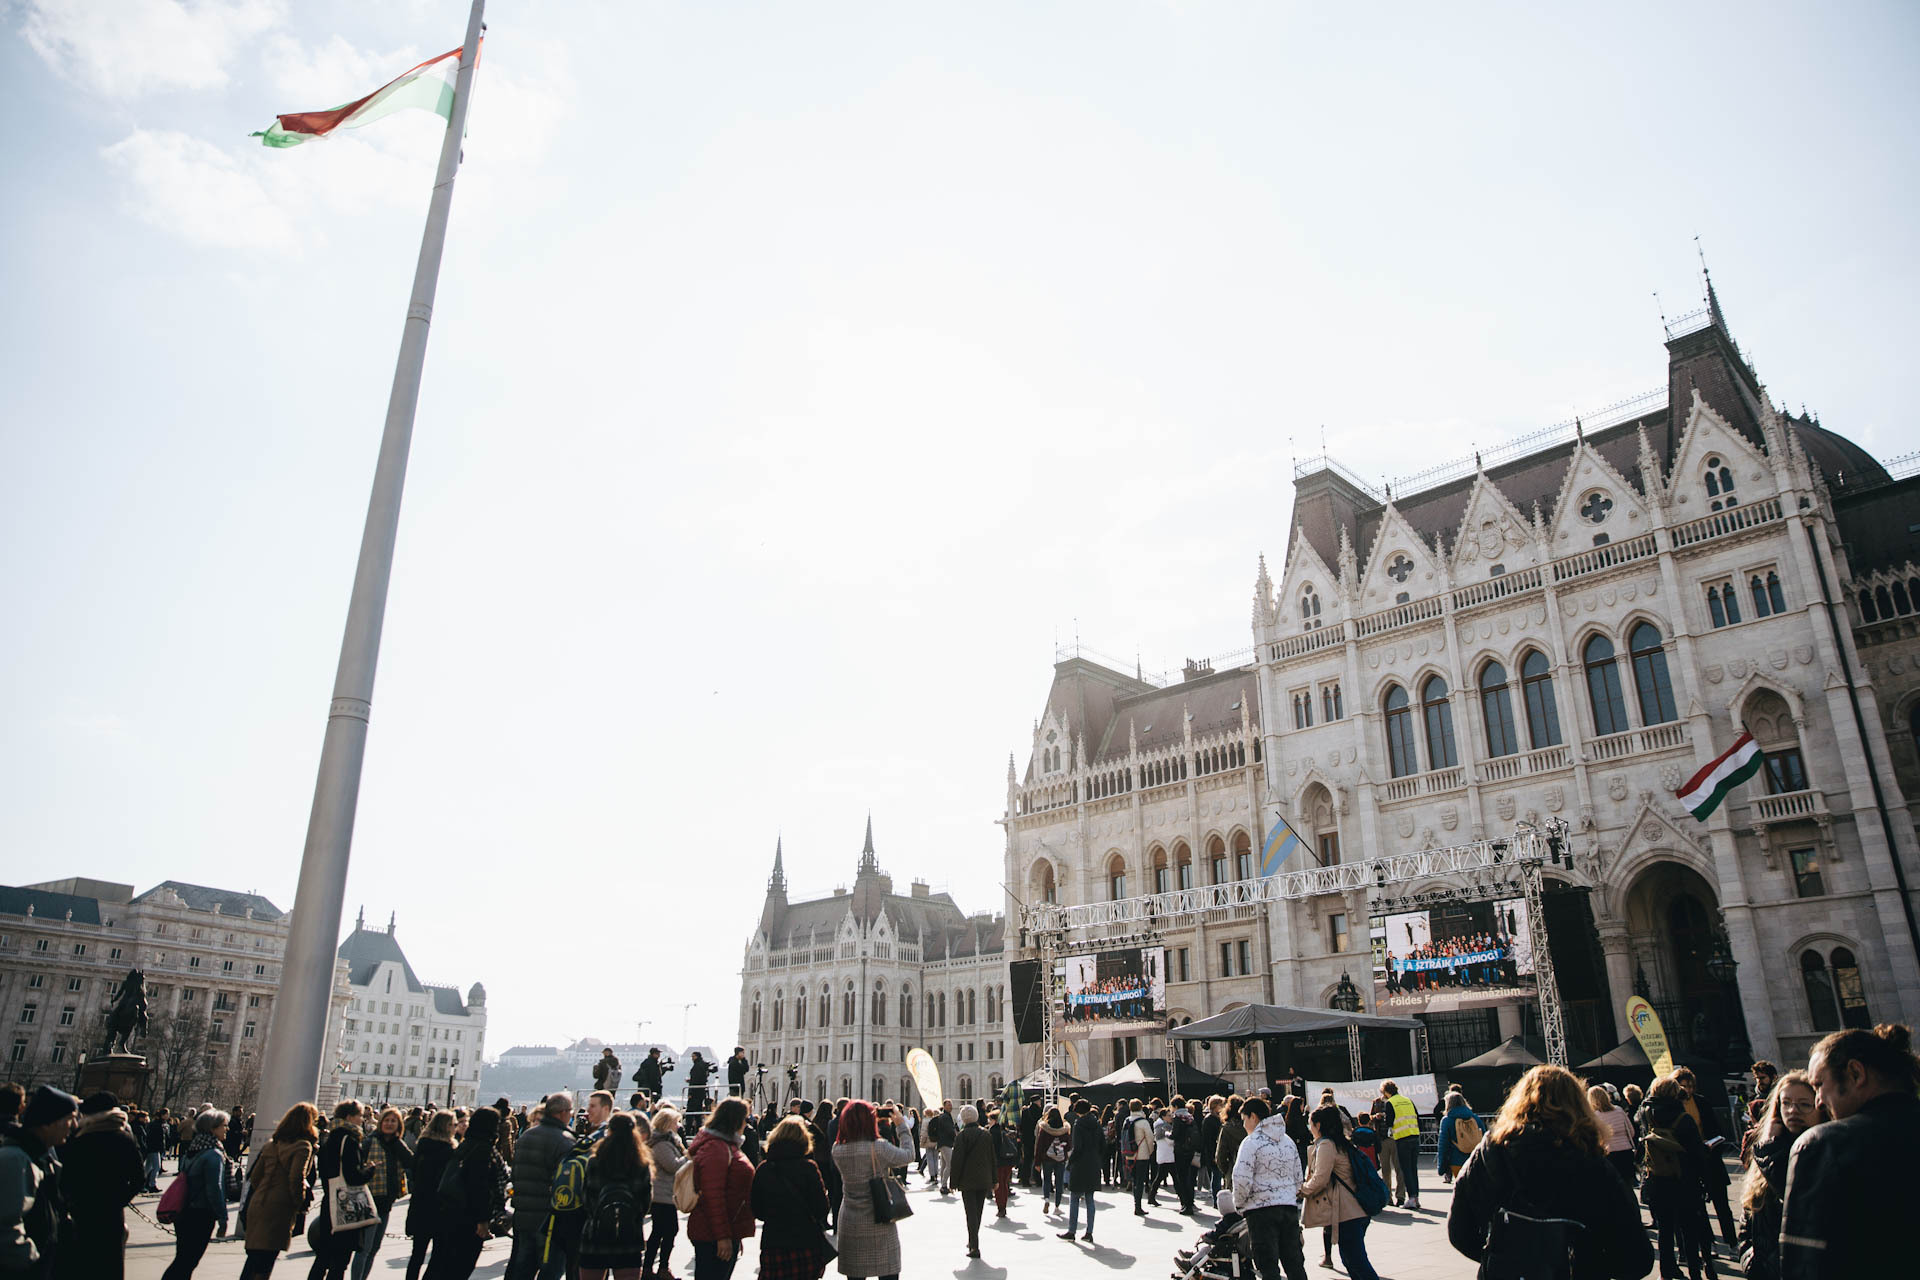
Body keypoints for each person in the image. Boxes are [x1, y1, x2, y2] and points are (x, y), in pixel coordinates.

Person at [1447, 1064, 1652, 1280]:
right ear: (1579, 1105)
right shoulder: (1595, 1165)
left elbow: (1460, 1232)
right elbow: (1636, 1258)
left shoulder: (1489, 1153)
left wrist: (1502, 1257)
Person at [1780, 1022, 1920, 1280]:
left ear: (1856, 1073)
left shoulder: (1823, 1144)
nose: (1818, 1101)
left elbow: (1805, 1265)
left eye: (1819, 1084)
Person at [1739, 1070, 1822, 1280]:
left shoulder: (1824, 1150)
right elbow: (1749, 1216)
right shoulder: (1767, 1148)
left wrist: (1770, 1153)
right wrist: (1750, 1259)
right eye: (1786, 1103)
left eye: (1804, 1104)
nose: (1793, 1110)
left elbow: (1797, 1200)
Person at [55, 1090, 142, 1280]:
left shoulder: (81, 1138)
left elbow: (65, 1178)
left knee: (81, 1264)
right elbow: (138, 1179)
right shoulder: (124, 1138)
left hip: (82, 1210)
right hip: (111, 1213)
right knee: (109, 1265)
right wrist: (118, 1200)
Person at [424, 1105, 510, 1280]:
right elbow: (479, 1187)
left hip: (449, 1213)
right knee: (459, 1267)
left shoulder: (465, 1145)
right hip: (468, 1219)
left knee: (440, 1265)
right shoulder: (483, 1150)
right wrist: (483, 1221)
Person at [828, 1099, 911, 1279]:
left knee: (855, 1273)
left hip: (850, 1220)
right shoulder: (878, 1147)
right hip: (879, 1217)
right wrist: (901, 1127)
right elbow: (909, 1155)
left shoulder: (837, 1149)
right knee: (887, 1270)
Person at [0, 1085, 77, 1279]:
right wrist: (33, 1264)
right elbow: (6, 1227)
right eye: (69, 1119)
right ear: (48, 1123)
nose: (74, 1125)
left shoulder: (41, 1158)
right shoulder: (16, 1159)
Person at [1641, 1075, 1713, 1280]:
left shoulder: (1648, 1113)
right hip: (1684, 1180)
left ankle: (1666, 1272)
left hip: (1658, 1179)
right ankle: (1694, 1271)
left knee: (1665, 1231)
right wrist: (1705, 1180)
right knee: (1689, 1230)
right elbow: (1696, 1154)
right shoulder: (1683, 1118)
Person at [238, 1103, 319, 1280]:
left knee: (253, 1259)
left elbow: (255, 1177)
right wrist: (299, 1203)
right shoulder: (303, 1146)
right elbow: (296, 1178)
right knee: (266, 1262)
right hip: (280, 1207)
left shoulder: (271, 1145)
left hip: (258, 1202)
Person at [1301, 1104, 1380, 1280]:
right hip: (1357, 1210)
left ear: (1319, 1125)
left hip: (1348, 1212)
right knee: (1351, 1261)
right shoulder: (1342, 1142)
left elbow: (1320, 1179)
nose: (1310, 1128)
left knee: (1357, 1262)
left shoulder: (1327, 1145)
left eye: (1310, 1124)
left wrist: (1301, 1190)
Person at [1232, 1096, 1307, 1280]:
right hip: (1288, 1208)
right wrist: (1289, 1194)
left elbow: (1241, 1178)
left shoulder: (1251, 1143)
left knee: (1268, 1266)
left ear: (1254, 1117)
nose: (1244, 1125)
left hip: (1260, 1210)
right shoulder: (1287, 1141)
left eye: (1244, 1120)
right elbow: (1299, 1177)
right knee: (1294, 1263)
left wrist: (1239, 1204)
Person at [505, 1092, 576, 1280]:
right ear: (562, 1113)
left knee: (522, 1270)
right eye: (570, 1111)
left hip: (523, 1216)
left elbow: (516, 1174)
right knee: (550, 1271)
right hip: (549, 1221)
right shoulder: (565, 1141)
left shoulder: (526, 1136)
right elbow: (565, 1186)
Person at [751, 1116, 830, 1280]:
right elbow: (821, 1209)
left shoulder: (764, 1169)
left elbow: (757, 1210)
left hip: (774, 1241)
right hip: (805, 1240)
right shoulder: (808, 1168)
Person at [577, 1112, 652, 1280]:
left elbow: (587, 1201)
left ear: (609, 1131)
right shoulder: (640, 1164)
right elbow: (645, 1204)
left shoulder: (595, 1162)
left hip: (595, 1237)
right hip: (629, 1236)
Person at [686, 1097, 754, 1280]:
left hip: (721, 1228)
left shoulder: (724, 1145)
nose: (746, 1124)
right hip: (712, 1232)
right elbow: (713, 1196)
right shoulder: (716, 1148)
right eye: (745, 1118)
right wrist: (722, 1237)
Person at [162, 1108, 234, 1280]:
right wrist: (222, 1217)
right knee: (187, 1262)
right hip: (201, 1213)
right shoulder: (214, 1154)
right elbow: (215, 1188)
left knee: (183, 1259)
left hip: (185, 1211)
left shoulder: (195, 1149)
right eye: (224, 1125)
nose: (227, 1129)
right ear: (212, 1128)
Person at [308, 1101, 372, 1280]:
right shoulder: (350, 1139)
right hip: (346, 1204)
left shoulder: (331, 1137)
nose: (362, 1119)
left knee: (323, 1256)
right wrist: (369, 1171)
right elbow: (353, 1177)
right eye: (359, 1115)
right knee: (340, 1260)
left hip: (329, 1200)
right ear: (350, 1117)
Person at [353, 1106, 411, 1280]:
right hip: (369, 1200)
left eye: (393, 1121)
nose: (389, 1124)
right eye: (386, 1120)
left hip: (386, 1202)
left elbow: (411, 1162)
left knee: (374, 1248)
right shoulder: (371, 1141)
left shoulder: (397, 1144)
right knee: (365, 1248)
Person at [402, 1110, 456, 1280]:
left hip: (420, 1204)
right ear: (446, 1127)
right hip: (441, 1207)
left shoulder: (423, 1145)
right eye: (452, 1125)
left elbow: (415, 1172)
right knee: (438, 1254)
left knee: (417, 1254)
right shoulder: (449, 1150)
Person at [644, 1109, 686, 1280]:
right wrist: (688, 1157)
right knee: (667, 1230)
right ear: (667, 1123)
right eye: (676, 1122)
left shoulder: (667, 1141)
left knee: (661, 1231)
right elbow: (672, 1165)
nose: (678, 1126)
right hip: (662, 1195)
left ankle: (654, 1268)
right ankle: (658, 1268)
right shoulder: (661, 1144)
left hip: (665, 1194)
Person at [949, 1104, 995, 1260]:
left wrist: (953, 1182)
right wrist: (994, 1180)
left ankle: (974, 1245)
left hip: (967, 1180)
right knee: (978, 1211)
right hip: (983, 1179)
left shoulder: (962, 1136)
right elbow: (992, 1159)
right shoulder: (986, 1134)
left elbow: (957, 1161)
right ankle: (973, 1240)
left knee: (971, 1213)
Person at [1379, 1081, 1420, 1211]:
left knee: (1406, 1169)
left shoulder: (1390, 1102)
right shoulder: (1408, 1100)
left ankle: (1412, 1199)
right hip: (1414, 1135)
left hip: (1402, 1138)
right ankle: (1415, 1196)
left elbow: (1389, 1121)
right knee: (1413, 1169)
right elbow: (1416, 1117)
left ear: (1386, 1092)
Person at [1586, 1085, 1636, 1191]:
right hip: (1626, 1151)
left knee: (1614, 1187)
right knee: (1628, 1186)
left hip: (1609, 1153)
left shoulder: (1595, 1116)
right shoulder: (1619, 1110)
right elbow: (1631, 1131)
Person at [1436, 1089, 1480, 1183]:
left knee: (1463, 1190)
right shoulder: (1475, 1118)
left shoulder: (1447, 1120)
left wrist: (1441, 1167)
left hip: (1456, 1161)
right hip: (1475, 1160)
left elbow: (1443, 1145)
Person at [1034, 1105, 1069, 1215]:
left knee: (1047, 1180)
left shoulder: (1044, 1128)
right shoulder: (1065, 1129)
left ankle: (1047, 1199)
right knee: (1059, 1182)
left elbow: (1039, 1146)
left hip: (1047, 1158)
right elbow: (1069, 1145)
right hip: (1060, 1159)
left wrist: (1037, 1162)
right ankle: (1057, 1207)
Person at [1124, 1099, 1156, 1215]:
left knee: (1134, 1180)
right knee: (1140, 1180)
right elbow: (1150, 1138)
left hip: (1130, 1154)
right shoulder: (1143, 1122)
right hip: (1142, 1155)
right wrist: (1150, 1151)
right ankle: (1138, 1206)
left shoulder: (1127, 1120)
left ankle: (1136, 1204)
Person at [987, 1109, 1018, 1217]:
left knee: (998, 1185)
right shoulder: (1004, 1131)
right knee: (1004, 1184)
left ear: (994, 1120)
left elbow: (992, 1149)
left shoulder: (993, 1132)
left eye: (990, 1119)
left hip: (998, 1162)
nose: (988, 1121)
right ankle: (1003, 1205)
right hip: (1008, 1161)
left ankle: (1001, 1207)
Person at [923, 1100, 955, 1194]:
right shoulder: (945, 1117)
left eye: (951, 1105)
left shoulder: (944, 1116)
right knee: (950, 1164)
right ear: (944, 1106)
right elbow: (949, 1130)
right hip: (946, 1143)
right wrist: (955, 1136)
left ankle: (943, 1184)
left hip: (942, 1143)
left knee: (944, 1164)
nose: (951, 1106)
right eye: (949, 1105)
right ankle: (944, 1185)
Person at [685, 1054, 713, 1120]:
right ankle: (698, 1126)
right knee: (698, 1111)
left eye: (693, 1057)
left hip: (695, 1092)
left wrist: (690, 1093)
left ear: (696, 1057)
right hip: (701, 1092)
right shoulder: (703, 1065)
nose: (692, 1058)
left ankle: (688, 1128)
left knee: (690, 1111)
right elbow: (701, 1078)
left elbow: (694, 1081)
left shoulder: (697, 1066)